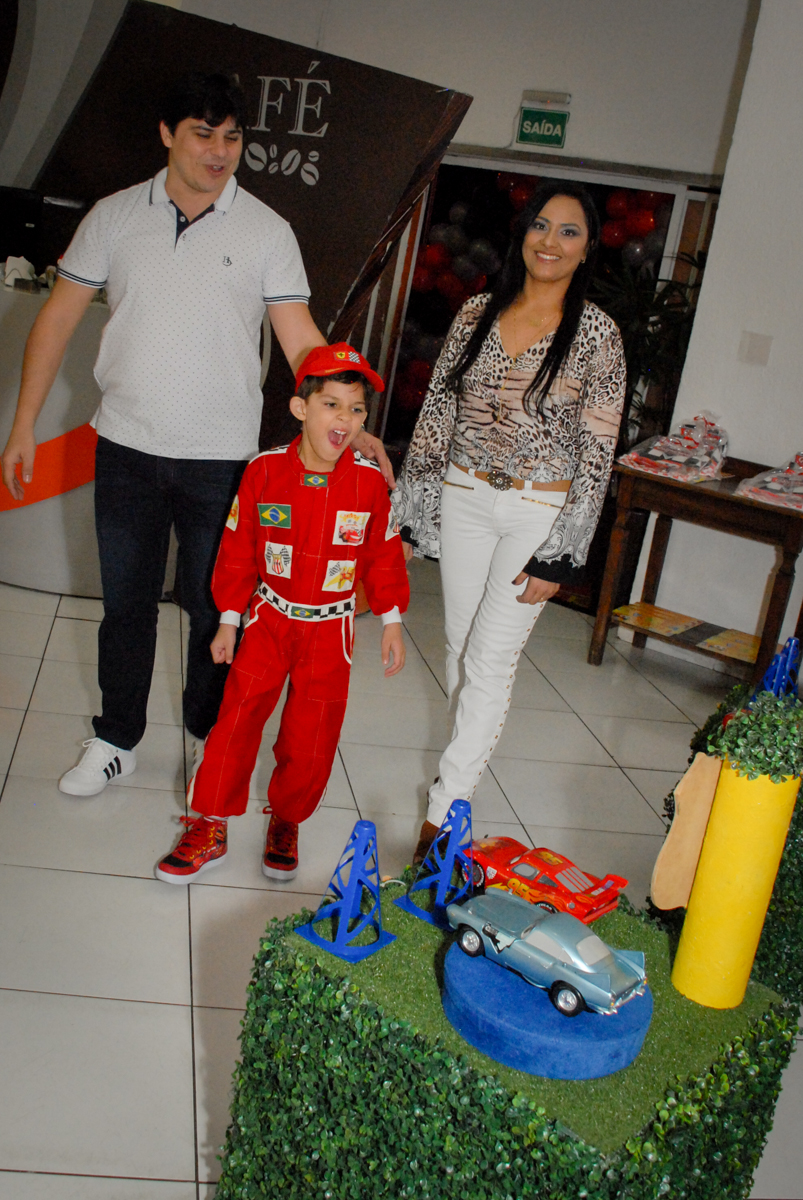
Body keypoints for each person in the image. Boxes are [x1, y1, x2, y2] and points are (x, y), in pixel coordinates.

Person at [0, 71, 392, 797]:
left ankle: (211, 737)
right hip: (124, 447)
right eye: (203, 135)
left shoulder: (267, 230)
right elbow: (55, 321)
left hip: (226, 462)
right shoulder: (114, 217)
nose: (219, 151)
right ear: (167, 135)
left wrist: (343, 409)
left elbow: (300, 338)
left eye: (233, 137)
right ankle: (115, 737)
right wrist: (22, 424)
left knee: (219, 608)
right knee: (126, 605)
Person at [392, 180, 626, 862]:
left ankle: (441, 817)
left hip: (537, 510)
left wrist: (564, 551)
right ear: (523, 233)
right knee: (461, 655)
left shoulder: (596, 336)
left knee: (490, 663)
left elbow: (597, 448)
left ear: (586, 251)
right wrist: (411, 512)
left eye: (569, 232)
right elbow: (436, 414)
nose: (549, 242)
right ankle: (457, 786)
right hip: (464, 498)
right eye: (541, 226)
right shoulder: (474, 314)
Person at [154, 344, 409, 883]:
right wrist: (228, 618)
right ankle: (211, 822)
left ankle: (287, 819)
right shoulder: (264, 472)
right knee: (236, 720)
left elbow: (383, 554)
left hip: (330, 630)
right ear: (301, 408)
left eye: (356, 409)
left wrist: (391, 621)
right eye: (331, 405)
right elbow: (238, 548)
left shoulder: (367, 484)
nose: (344, 420)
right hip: (267, 621)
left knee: (312, 735)